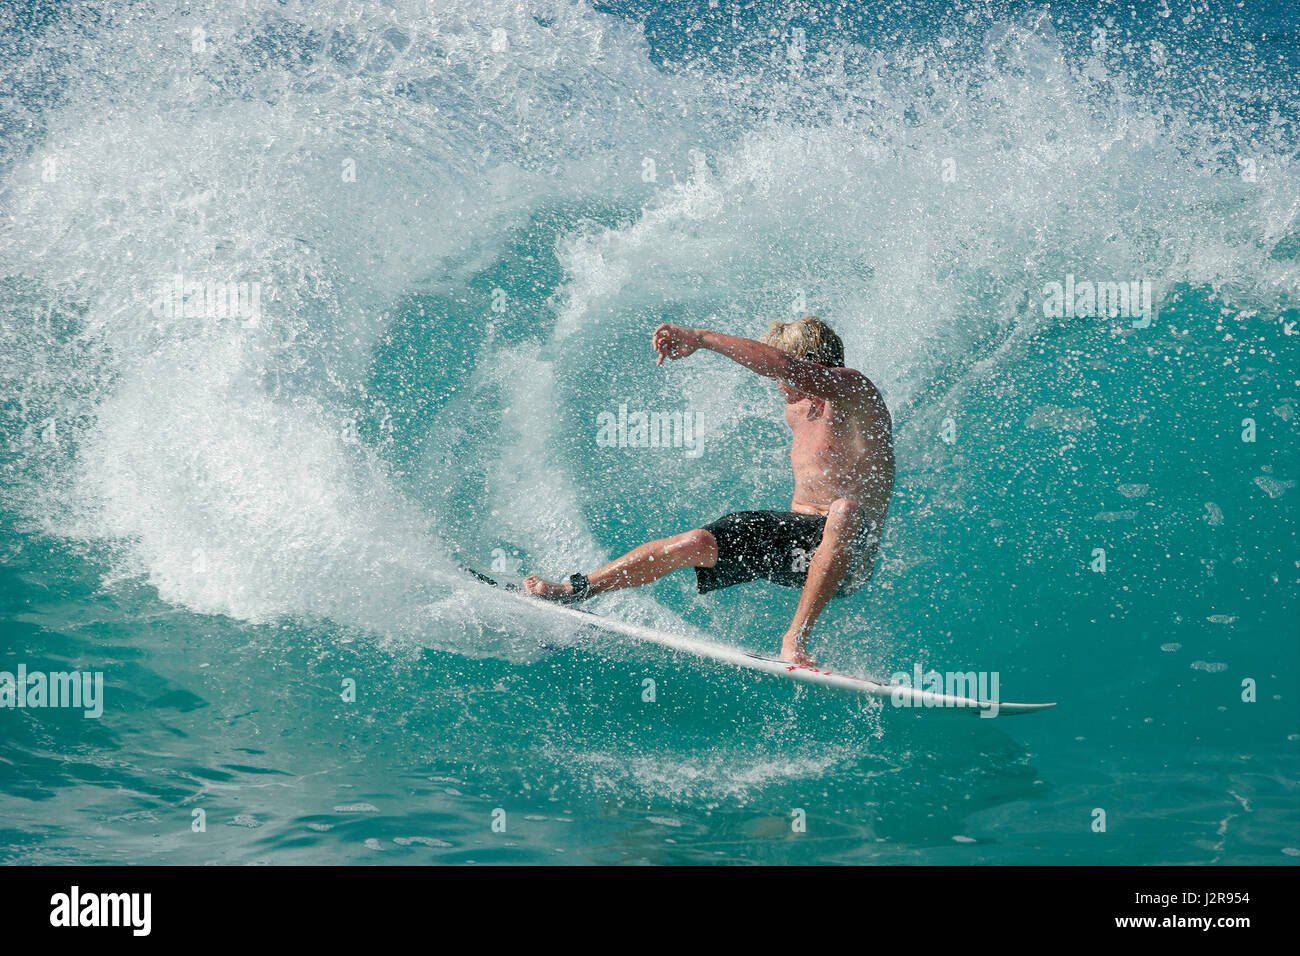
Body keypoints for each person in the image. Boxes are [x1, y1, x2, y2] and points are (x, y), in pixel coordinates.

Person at [523, 315, 894, 666]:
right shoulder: (797, 411)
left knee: (843, 509)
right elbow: (786, 371)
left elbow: (785, 367)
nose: (776, 384)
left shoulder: (855, 392)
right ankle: (577, 590)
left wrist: (701, 338)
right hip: (801, 544)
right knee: (694, 544)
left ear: (811, 362)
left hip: (849, 557)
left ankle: (794, 641)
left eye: (783, 372)